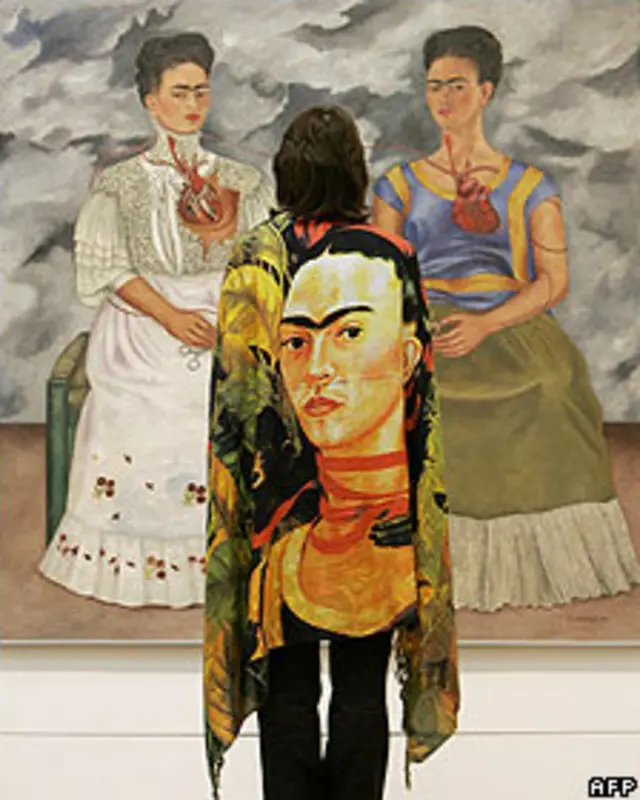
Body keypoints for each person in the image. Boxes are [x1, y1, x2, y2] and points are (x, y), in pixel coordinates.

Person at [203, 106, 459, 800]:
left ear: (286, 171)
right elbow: (420, 394)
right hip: (381, 499)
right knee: (360, 685)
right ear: (354, 171)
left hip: (272, 501)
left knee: (287, 689)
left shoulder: (254, 255)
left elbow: (234, 397)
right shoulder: (390, 254)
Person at [373, 25, 640, 612]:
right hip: (426, 323)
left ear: (486, 91)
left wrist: (487, 324)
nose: (444, 98)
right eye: (435, 85)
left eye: (458, 85)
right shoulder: (398, 185)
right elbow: (384, 276)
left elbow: (553, 282)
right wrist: (418, 326)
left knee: (552, 386)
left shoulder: (529, 186)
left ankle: (535, 567)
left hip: (509, 321)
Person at [39, 33, 274, 607]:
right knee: (162, 398)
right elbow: (110, 269)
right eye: (179, 92)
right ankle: (144, 560)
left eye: (201, 91)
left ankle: (232, 553)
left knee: (243, 389)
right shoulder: (120, 184)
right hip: (143, 320)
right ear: (151, 100)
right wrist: (169, 315)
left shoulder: (242, 181)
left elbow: (262, 263)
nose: (193, 104)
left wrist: (234, 318)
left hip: (225, 312)